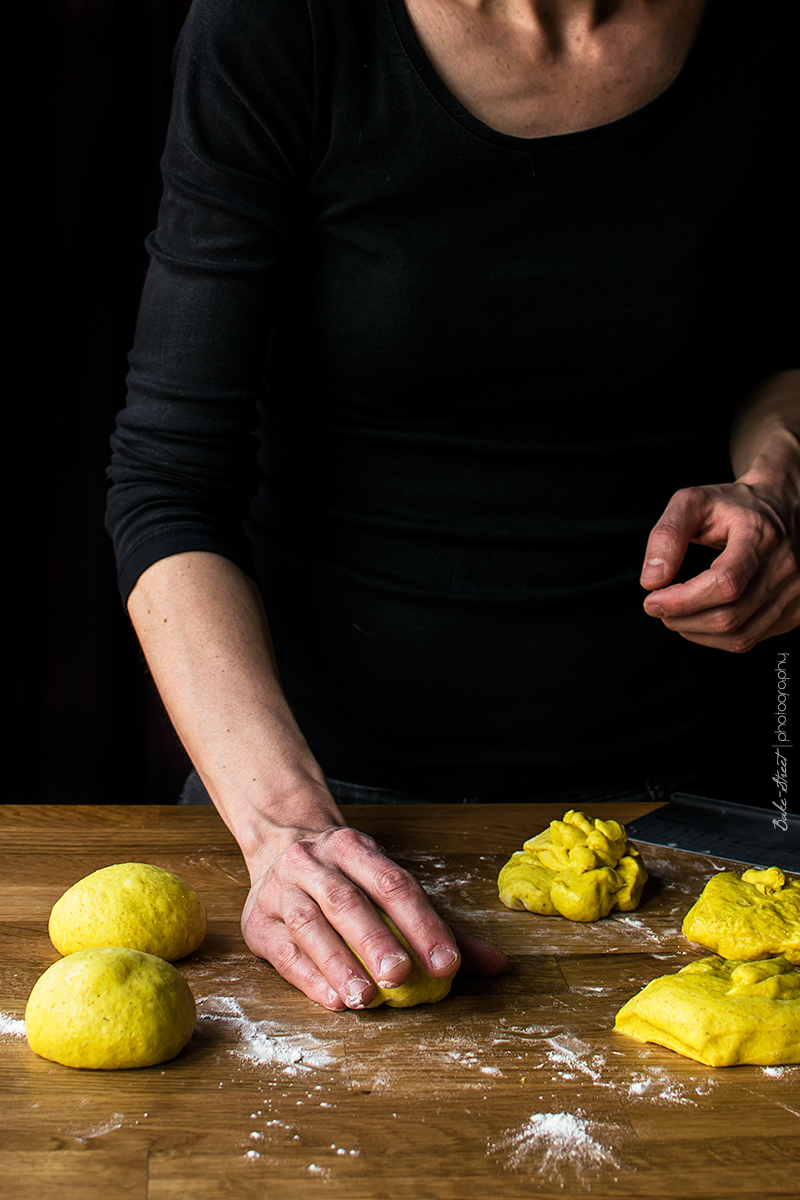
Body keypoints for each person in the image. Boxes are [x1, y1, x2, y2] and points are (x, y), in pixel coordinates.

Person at [106, 0, 799, 1011]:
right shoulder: (281, 28)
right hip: (328, 807)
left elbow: (780, 343)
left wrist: (777, 485)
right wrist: (285, 829)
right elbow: (167, 480)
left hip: (695, 796)